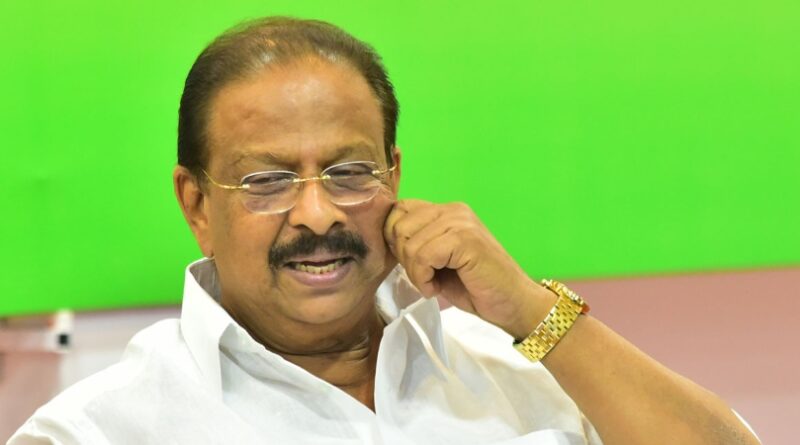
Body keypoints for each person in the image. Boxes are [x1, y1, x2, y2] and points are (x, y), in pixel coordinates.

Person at [10, 17, 760, 445]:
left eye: (348, 171)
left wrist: (535, 313)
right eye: (268, 181)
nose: (317, 215)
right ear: (197, 203)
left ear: (394, 174)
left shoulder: (518, 369)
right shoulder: (99, 430)